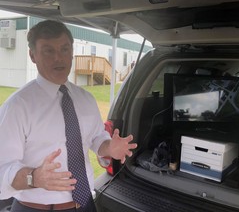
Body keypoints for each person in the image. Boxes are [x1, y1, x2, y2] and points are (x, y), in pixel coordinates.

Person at [0, 20, 137, 211]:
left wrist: (108, 147)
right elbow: (2, 169)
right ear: (33, 55)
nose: (59, 58)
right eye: (48, 51)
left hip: (85, 204)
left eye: (64, 49)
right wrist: (34, 177)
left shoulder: (85, 99)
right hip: (36, 208)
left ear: (72, 51)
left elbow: (96, 139)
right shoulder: (17, 106)